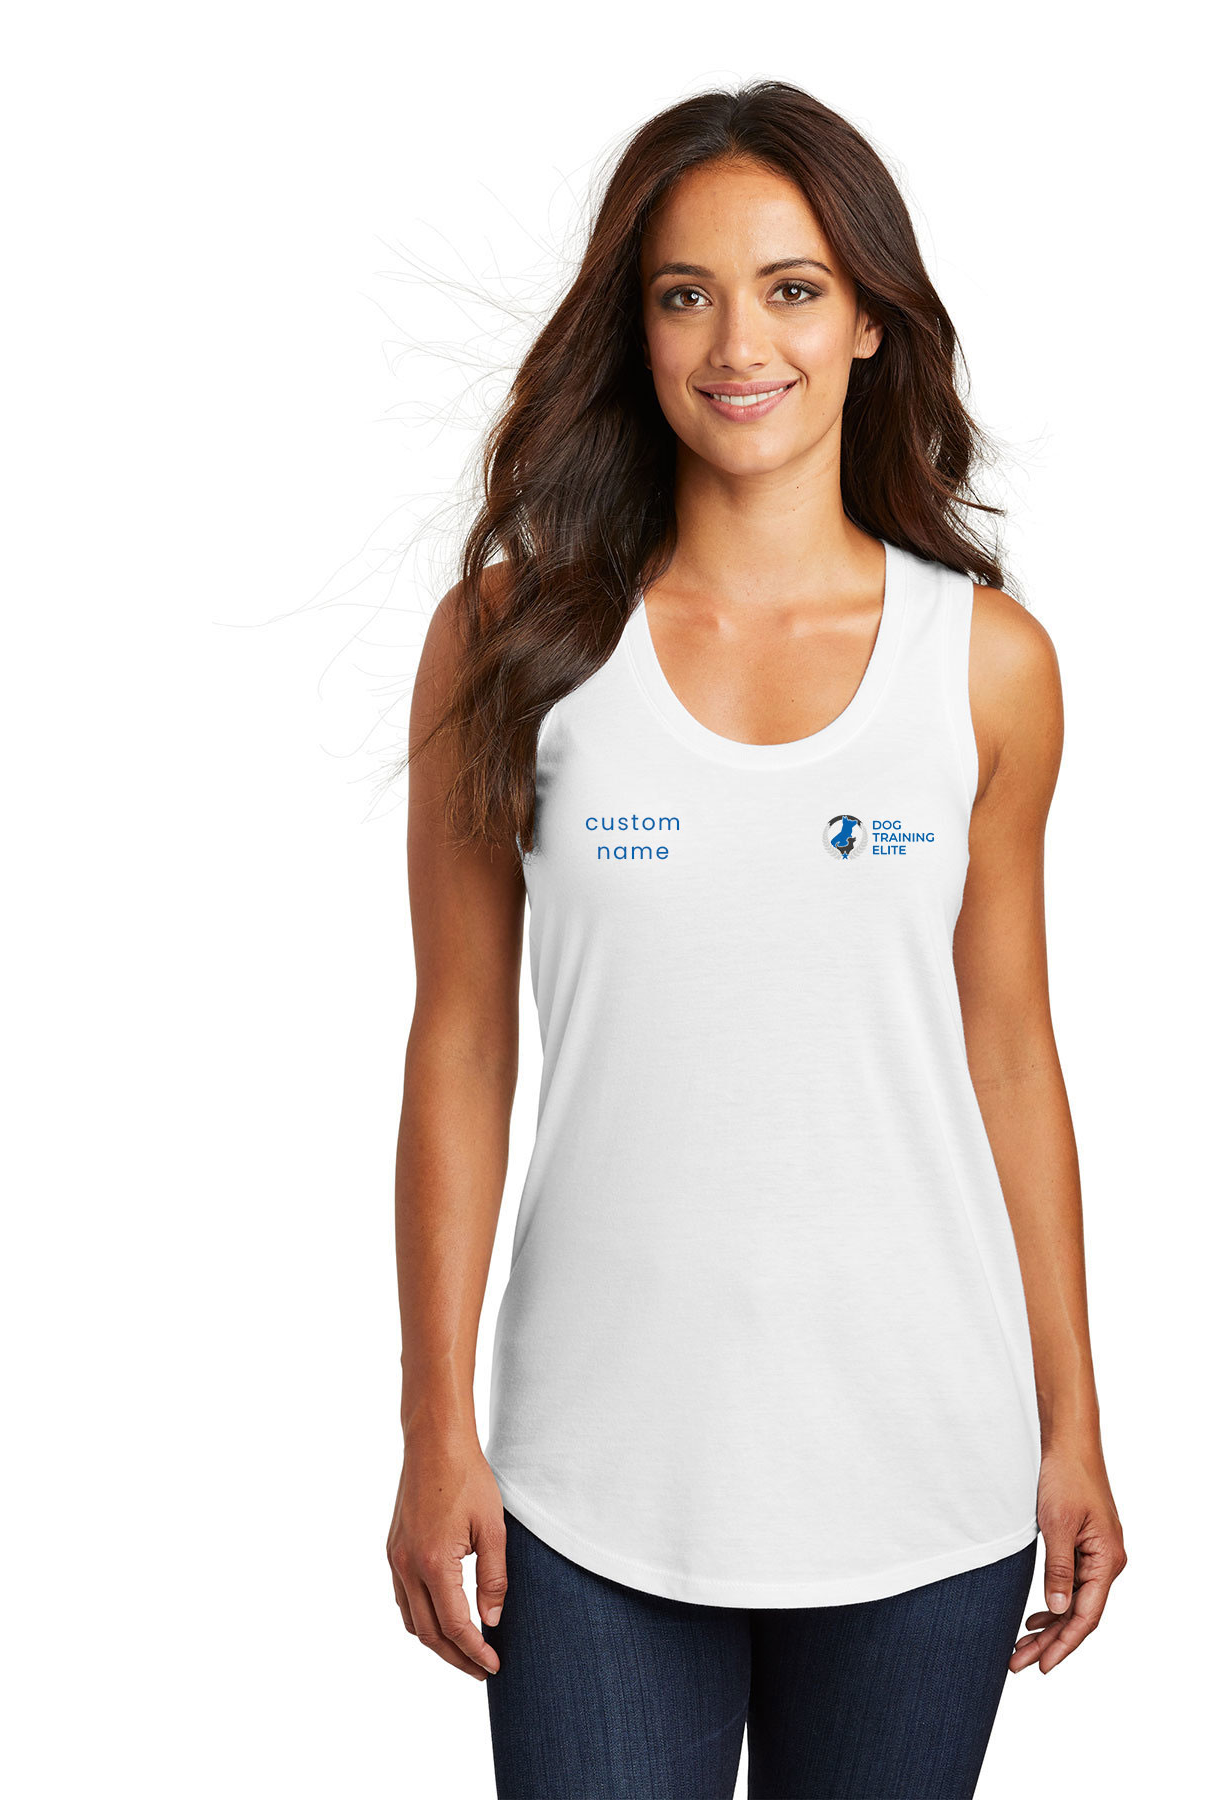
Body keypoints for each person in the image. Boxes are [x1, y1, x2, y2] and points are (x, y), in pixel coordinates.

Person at [387, 80, 1125, 1800]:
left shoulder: (987, 664)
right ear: (634, 326)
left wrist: (1074, 1418)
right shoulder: (512, 638)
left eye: (793, 288)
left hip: (923, 1479)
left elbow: (1011, 1055)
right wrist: (433, 1424)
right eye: (685, 293)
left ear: (869, 318)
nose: (740, 343)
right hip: (588, 1489)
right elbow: (461, 1044)